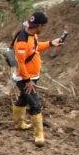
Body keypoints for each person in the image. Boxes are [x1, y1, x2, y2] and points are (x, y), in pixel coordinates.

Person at [11, 11, 66, 146]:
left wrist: (51, 43)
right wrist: (27, 80)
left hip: (32, 76)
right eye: (43, 26)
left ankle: (19, 123)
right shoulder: (22, 42)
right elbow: (21, 62)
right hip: (24, 78)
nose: (43, 28)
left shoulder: (32, 35)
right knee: (35, 104)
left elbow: (35, 48)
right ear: (39, 26)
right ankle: (39, 136)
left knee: (23, 99)